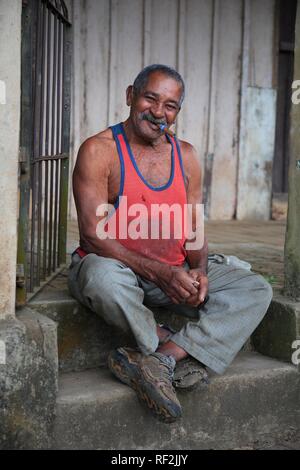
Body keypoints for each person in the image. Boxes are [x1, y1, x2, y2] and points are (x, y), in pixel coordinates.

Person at [68, 64, 273, 423]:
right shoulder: (99, 151)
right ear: (131, 96)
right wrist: (159, 272)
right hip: (117, 269)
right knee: (101, 280)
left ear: (178, 111)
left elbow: (194, 228)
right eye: (150, 98)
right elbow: (92, 234)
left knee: (255, 289)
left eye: (171, 105)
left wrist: (199, 271)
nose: (159, 112)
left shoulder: (187, 156)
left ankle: (160, 357)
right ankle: (175, 346)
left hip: (170, 273)